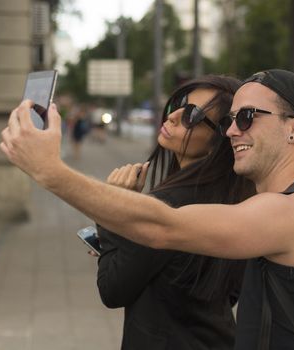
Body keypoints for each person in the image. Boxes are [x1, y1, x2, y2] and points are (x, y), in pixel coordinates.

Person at [0, 69, 294, 349]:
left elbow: (163, 226)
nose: (230, 131)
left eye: (247, 117)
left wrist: (51, 171)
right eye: (228, 120)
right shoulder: (263, 204)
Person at [92, 75, 255, 349]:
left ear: (220, 138)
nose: (172, 116)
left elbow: (112, 289)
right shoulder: (238, 197)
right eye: (179, 105)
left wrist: (114, 210)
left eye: (191, 115)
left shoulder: (169, 205)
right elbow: (230, 292)